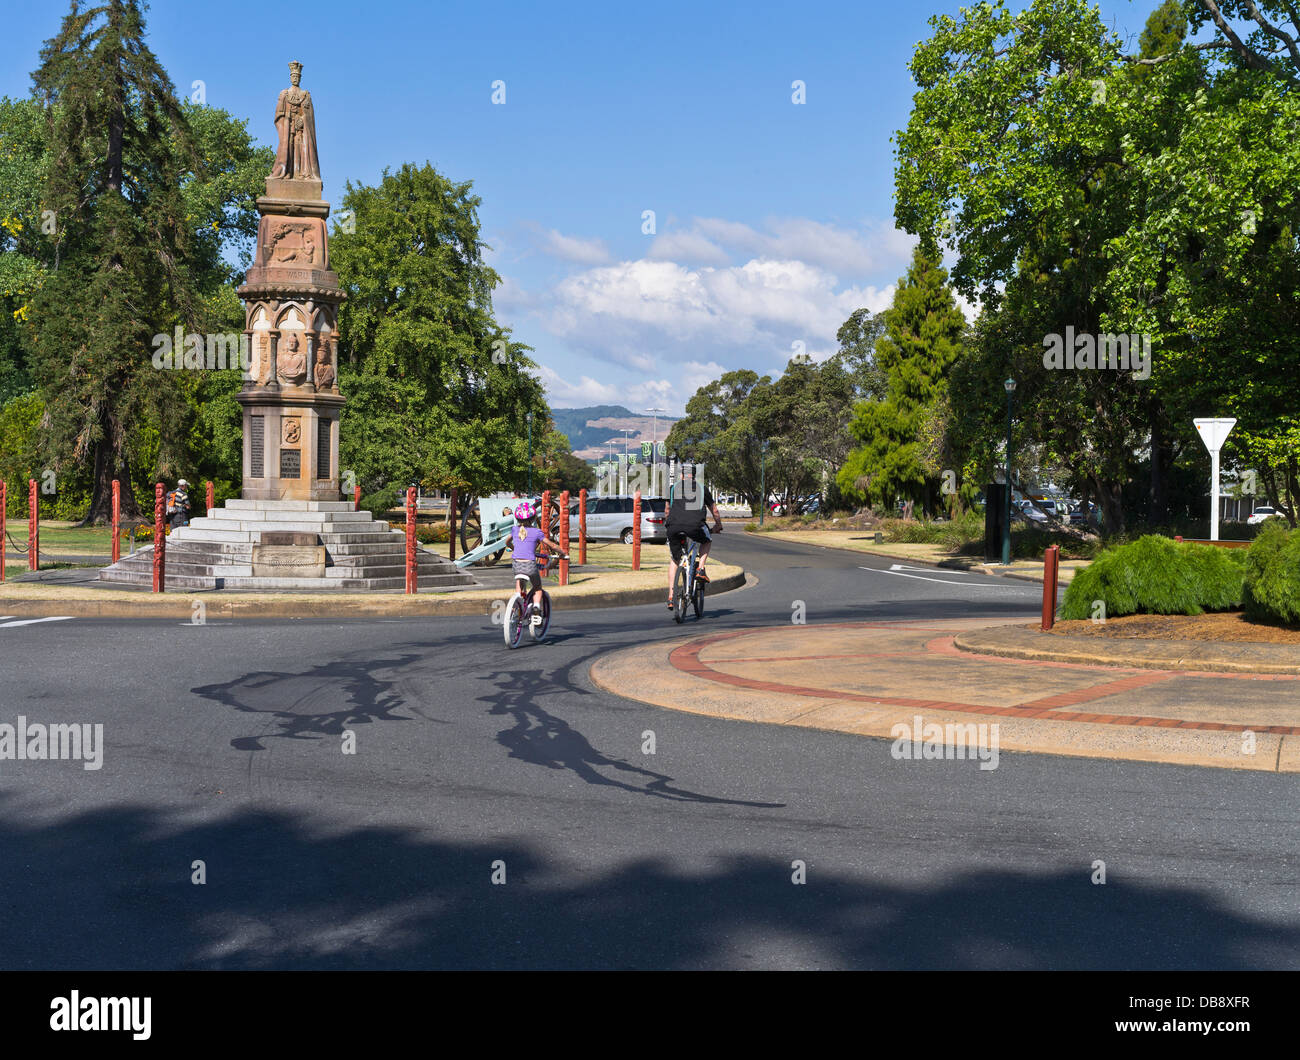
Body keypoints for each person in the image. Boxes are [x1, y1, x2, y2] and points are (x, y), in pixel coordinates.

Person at [665, 463, 722, 609]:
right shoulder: (702, 489)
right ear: (695, 475)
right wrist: (718, 525)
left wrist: (669, 522)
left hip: (673, 526)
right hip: (695, 526)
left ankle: (671, 596)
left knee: (675, 559)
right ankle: (700, 569)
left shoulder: (672, 489)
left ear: (682, 474)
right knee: (707, 540)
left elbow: (667, 509)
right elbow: (714, 510)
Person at [506, 500, 568, 625]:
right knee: (537, 587)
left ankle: (516, 606)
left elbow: (507, 542)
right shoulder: (536, 532)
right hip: (530, 565)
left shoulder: (514, 530)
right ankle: (536, 608)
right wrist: (563, 553)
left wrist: (515, 549)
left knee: (519, 586)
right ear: (533, 518)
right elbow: (552, 545)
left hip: (516, 565)